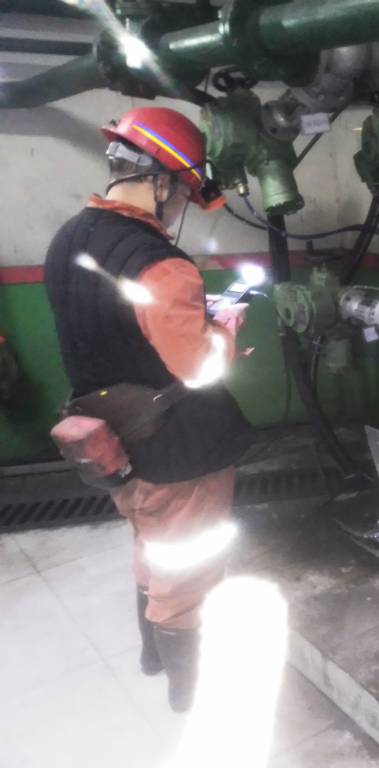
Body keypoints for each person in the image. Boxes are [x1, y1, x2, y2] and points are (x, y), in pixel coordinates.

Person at [44, 107, 253, 712]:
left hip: (114, 440)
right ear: (160, 182)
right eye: (183, 192)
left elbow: (113, 326)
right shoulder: (160, 262)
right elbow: (199, 367)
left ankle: (152, 655)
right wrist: (224, 329)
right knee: (190, 566)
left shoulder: (67, 239)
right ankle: (192, 693)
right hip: (177, 446)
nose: (181, 205)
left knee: (153, 545)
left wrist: (189, 316)